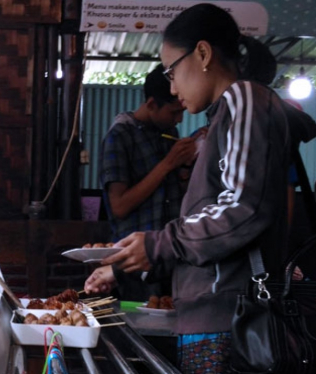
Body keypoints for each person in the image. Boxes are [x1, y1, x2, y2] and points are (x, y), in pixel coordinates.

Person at [85, 3, 304, 372]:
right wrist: (128, 266)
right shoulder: (222, 119)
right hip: (209, 317)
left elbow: (242, 208)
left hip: (230, 319)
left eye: (172, 71)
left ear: (202, 54)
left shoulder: (245, 99)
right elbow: (208, 227)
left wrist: (157, 244)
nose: (172, 86)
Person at [97, 64, 196, 301]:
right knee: (139, 325)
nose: (179, 120)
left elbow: (177, 193)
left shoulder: (168, 132)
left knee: (169, 322)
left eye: (181, 111)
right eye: (173, 112)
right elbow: (119, 206)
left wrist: (185, 169)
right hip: (133, 262)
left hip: (170, 255)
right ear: (151, 104)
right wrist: (167, 164)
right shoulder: (120, 135)